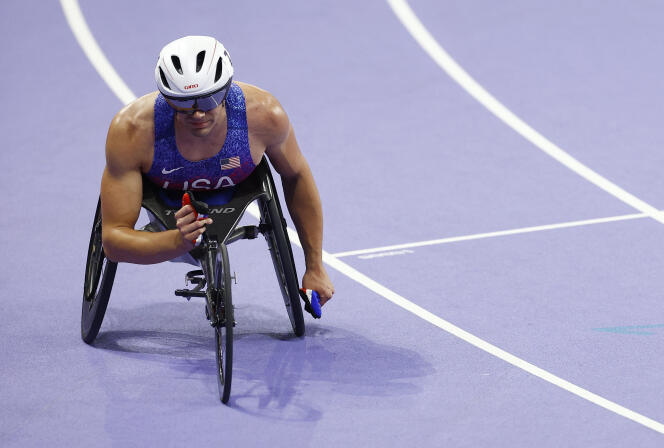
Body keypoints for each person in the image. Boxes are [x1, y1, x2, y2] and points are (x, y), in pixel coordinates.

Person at [100, 35, 334, 307]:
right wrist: (177, 240)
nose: (197, 114)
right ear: (166, 97)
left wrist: (315, 266)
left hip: (233, 190)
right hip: (166, 197)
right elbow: (113, 242)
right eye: (183, 103)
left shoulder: (265, 116)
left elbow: (296, 175)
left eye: (209, 99)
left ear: (226, 88)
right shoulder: (131, 131)